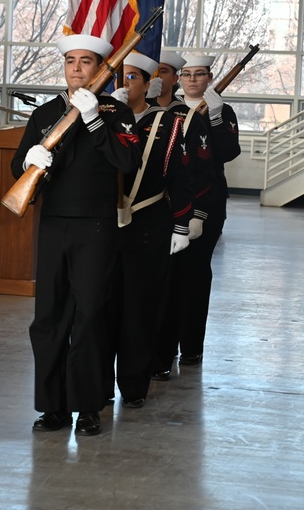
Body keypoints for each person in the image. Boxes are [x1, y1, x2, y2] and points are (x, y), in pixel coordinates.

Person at [11, 34, 140, 437]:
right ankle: (52, 407)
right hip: (53, 225)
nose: (77, 69)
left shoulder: (116, 112)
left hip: (96, 227)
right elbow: (20, 166)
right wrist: (31, 160)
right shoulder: (47, 112)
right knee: (48, 318)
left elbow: (127, 159)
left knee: (89, 318)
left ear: (101, 68)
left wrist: (94, 121)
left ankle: (87, 406)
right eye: (71, 61)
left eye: (86, 62)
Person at [108, 52, 193, 408]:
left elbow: (180, 174)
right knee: (101, 309)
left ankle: (133, 385)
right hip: (105, 225)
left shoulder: (167, 123)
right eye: (119, 78)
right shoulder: (100, 118)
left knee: (140, 309)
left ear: (148, 83)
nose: (124, 85)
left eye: (131, 78)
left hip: (148, 222)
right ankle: (96, 385)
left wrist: (183, 222)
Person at [154, 55, 241, 374]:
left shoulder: (222, 110)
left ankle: (191, 346)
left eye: (199, 74)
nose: (192, 80)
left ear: (210, 77)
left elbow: (228, 154)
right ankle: (163, 347)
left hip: (209, 200)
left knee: (195, 274)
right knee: (167, 278)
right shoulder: (168, 110)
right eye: (186, 74)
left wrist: (215, 117)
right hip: (167, 201)